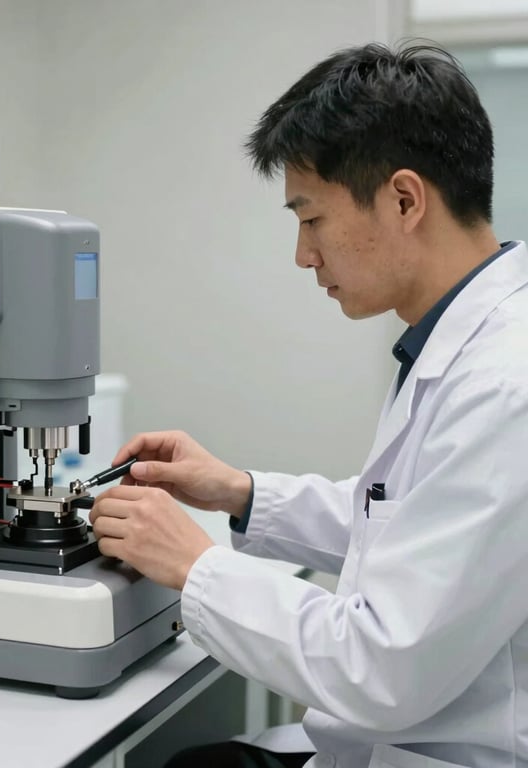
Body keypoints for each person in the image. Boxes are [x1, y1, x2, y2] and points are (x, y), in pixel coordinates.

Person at [88, 41, 528, 768]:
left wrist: (196, 565)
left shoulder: (504, 385)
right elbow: (409, 521)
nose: (303, 254)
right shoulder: (463, 341)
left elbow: (379, 670)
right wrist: (240, 493)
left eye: (311, 218)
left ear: (404, 199)